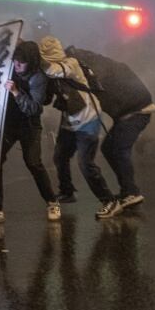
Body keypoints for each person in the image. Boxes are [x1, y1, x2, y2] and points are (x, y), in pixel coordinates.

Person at [61, 45, 155, 208]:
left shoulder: (93, 72)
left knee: (119, 149)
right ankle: (128, 190)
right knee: (108, 148)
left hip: (136, 112)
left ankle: (132, 192)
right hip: (131, 111)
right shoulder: (96, 64)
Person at [39, 35, 122, 220]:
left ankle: (109, 201)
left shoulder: (71, 63)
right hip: (69, 119)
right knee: (60, 156)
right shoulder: (52, 73)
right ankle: (67, 192)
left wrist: (36, 60)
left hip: (88, 119)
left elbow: (54, 71)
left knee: (85, 164)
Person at [0, 40, 60, 223]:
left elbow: (33, 108)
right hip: (8, 123)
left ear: (30, 61)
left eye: (21, 63)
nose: (17, 66)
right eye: (15, 61)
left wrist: (16, 92)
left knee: (33, 163)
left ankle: (52, 202)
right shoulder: (10, 67)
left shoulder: (38, 78)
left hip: (29, 125)